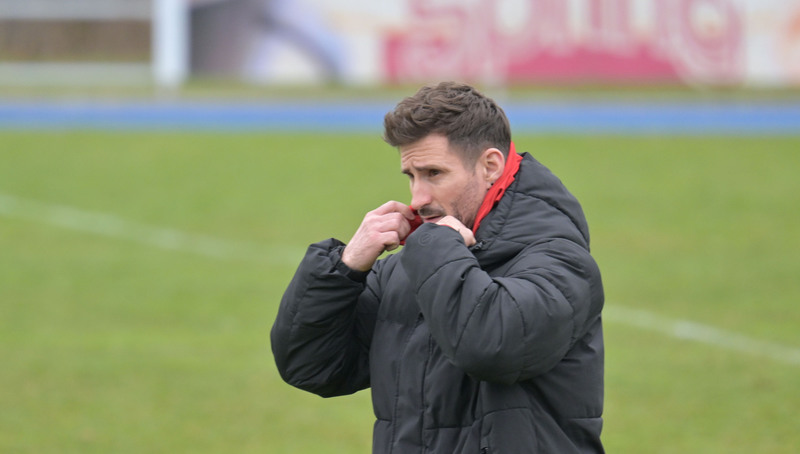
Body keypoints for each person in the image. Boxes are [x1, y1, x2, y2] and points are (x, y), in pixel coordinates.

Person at [271, 81, 605, 453]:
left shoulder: (561, 260)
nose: (417, 199)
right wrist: (345, 268)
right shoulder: (414, 265)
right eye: (411, 176)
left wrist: (434, 245)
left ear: (490, 166)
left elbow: (492, 347)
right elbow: (310, 365)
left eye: (434, 173)